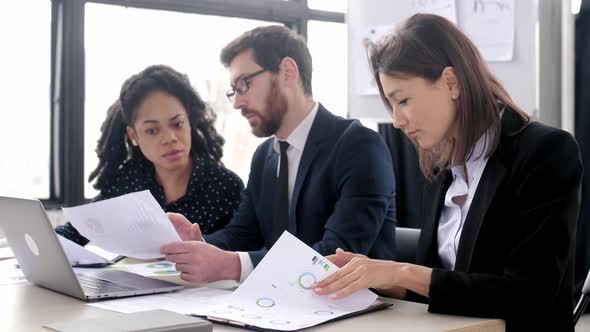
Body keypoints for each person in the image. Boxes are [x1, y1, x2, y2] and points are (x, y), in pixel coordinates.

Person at [313, 14, 583, 332]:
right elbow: (440, 283)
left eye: (403, 100)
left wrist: (400, 272)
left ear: (451, 83)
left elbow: (530, 295)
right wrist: (368, 275)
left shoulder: (545, 151)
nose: (397, 120)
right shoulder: (445, 168)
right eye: (391, 105)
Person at [161, 25, 396, 284]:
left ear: (287, 71)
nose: (238, 103)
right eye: (234, 91)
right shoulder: (264, 156)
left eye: (244, 84)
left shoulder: (359, 146)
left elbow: (336, 255)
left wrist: (232, 266)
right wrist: (197, 245)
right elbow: (243, 234)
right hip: (282, 306)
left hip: (358, 311)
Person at [56, 65, 244, 246]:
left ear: (189, 122)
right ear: (134, 136)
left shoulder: (226, 186)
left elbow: (244, 247)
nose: (169, 138)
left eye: (177, 124)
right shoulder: (128, 182)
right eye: (152, 131)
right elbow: (77, 231)